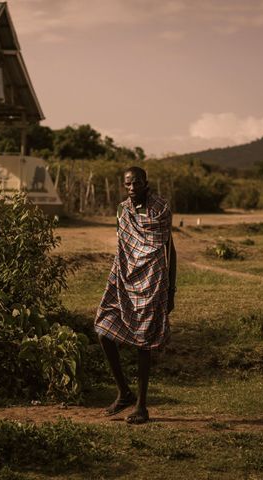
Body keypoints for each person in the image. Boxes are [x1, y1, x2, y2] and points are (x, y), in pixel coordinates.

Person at [94, 166, 176, 424]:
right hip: (124, 275)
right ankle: (124, 392)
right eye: (127, 184)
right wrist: (118, 274)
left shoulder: (160, 209)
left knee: (144, 342)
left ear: (145, 182)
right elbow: (123, 245)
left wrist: (171, 290)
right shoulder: (122, 209)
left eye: (136, 183)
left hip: (153, 279)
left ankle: (142, 406)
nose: (132, 188)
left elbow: (169, 250)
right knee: (103, 327)